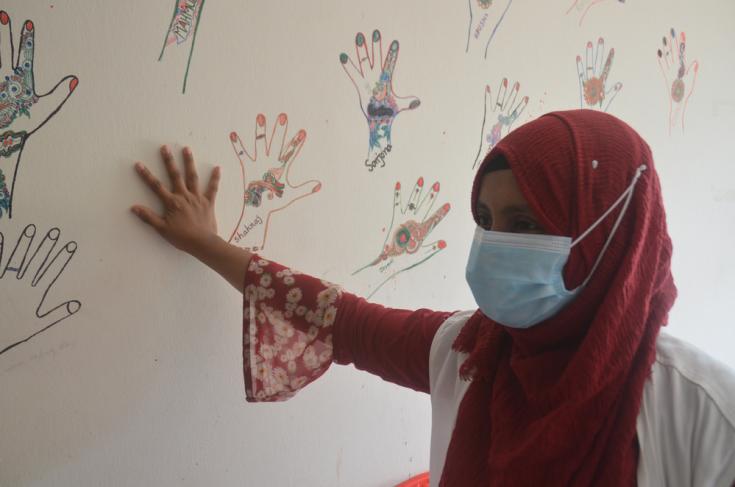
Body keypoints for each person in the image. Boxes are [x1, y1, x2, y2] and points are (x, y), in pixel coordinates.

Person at [131, 110, 735, 486]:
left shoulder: (704, 412)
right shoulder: (468, 352)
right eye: (486, 220)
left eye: (525, 224)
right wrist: (205, 245)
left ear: (609, 237)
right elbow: (338, 318)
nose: (495, 245)